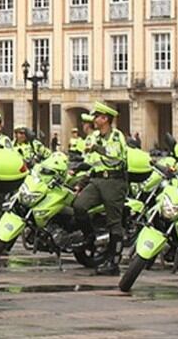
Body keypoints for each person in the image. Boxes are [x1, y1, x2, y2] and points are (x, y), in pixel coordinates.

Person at [72, 102, 128, 276]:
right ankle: (90, 236)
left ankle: (113, 262)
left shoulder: (116, 136)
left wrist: (96, 148)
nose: (94, 120)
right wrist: (81, 182)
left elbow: (114, 155)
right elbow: (91, 162)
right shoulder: (94, 136)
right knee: (79, 206)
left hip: (113, 181)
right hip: (96, 180)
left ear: (105, 119)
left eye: (97, 117)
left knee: (114, 223)